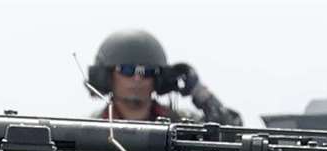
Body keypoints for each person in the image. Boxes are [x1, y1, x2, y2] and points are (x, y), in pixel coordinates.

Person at [87, 30, 239, 125]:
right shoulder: (89, 128)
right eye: (127, 70)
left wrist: (200, 93)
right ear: (107, 77)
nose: (137, 78)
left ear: (159, 79)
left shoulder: (181, 125)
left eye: (147, 71)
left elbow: (232, 132)